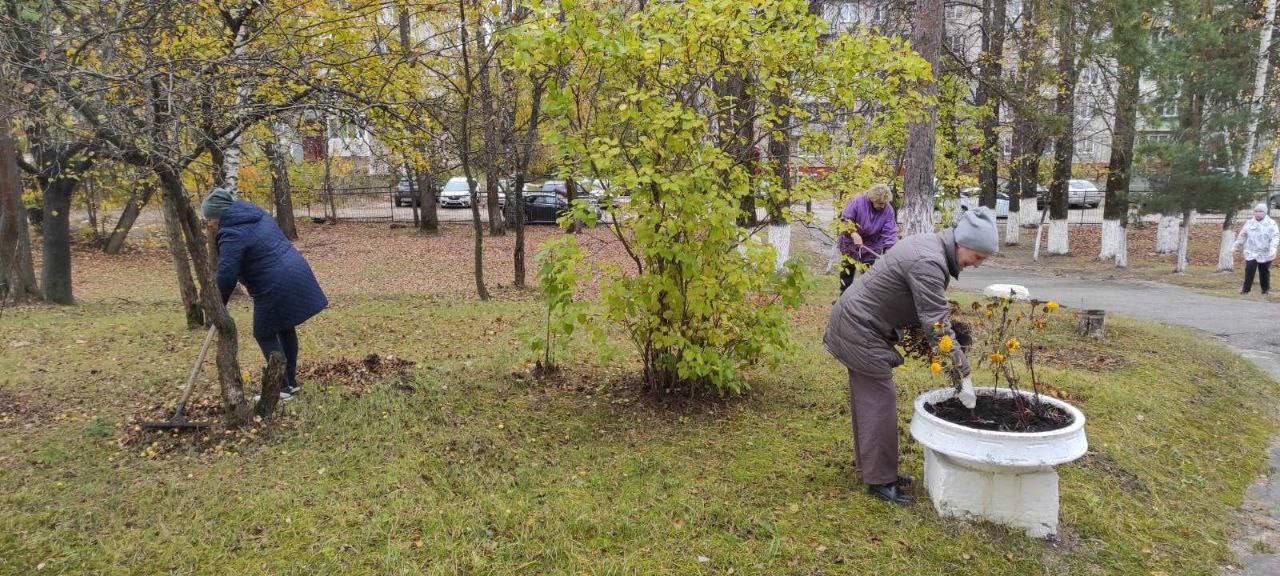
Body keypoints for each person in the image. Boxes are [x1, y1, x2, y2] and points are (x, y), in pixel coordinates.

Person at [823, 207, 998, 505]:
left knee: (868, 400)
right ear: (962, 243)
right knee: (879, 402)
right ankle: (881, 481)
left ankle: (873, 468)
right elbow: (936, 324)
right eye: (977, 257)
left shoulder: (930, 247)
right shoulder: (929, 261)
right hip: (859, 329)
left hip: (858, 323)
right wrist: (961, 374)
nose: (976, 264)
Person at [202, 187, 328, 400]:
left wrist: (218, 306)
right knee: (284, 327)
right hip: (295, 270)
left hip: (274, 282)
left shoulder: (231, 232)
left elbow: (226, 275)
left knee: (264, 332)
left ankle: (282, 387)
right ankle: (290, 383)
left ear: (218, 214)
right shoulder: (255, 214)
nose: (210, 224)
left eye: (210, 219)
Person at [836, 184, 898, 293]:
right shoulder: (857, 201)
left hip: (872, 245)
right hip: (850, 244)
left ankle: (866, 303)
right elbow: (846, 220)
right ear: (872, 199)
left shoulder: (888, 209)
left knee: (869, 278)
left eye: (885, 203)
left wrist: (890, 249)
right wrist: (854, 233)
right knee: (847, 275)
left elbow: (890, 231)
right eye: (880, 203)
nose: (883, 206)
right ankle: (843, 299)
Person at [1233, 203, 1278, 296]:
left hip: (1265, 252)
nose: (1258, 213)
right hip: (1251, 251)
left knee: (1264, 272)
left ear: (1265, 212)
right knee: (1249, 270)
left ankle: (1265, 290)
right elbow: (1243, 235)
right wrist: (1236, 245)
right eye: (1256, 211)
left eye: (1260, 211)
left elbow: (1275, 237)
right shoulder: (1249, 223)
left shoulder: (1271, 223)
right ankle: (1246, 290)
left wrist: (1273, 249)